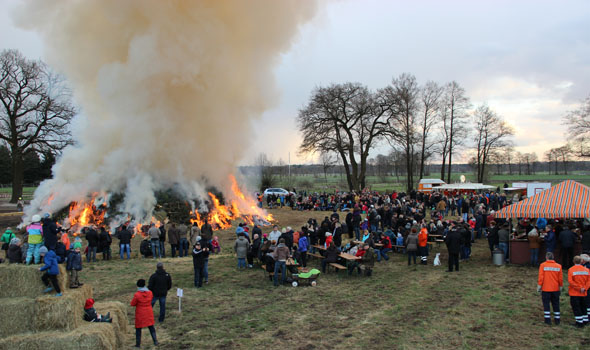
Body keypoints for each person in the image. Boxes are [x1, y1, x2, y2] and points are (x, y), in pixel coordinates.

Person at [131, 279, 158, 347]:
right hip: (149, 311)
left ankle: (138, 344)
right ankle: (155, 341)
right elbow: (151, 299)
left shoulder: (137, 294)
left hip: (140, 312)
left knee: (138, 328)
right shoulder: (150, 293)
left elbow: (133, 303)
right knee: (151, 326)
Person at [537, 252, 563, 325]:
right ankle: (557, 319)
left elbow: (541, 277)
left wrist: (539, 286)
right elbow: (560, 278)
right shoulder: (558, 266)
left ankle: (547, 320)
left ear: (546, 257)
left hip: (546, 288)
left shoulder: (543, 265)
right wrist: (560, 286)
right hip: (555, 289)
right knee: (556, 304)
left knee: (546, 304)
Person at [567, 256, 590, 328]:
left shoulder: (571, 270)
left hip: (575, 292)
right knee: (584, 307)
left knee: (576, 307)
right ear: (581, 261)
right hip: (584, 293)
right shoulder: (586, 270)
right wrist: (584, 288)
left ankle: (579, 322)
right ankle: (585, 320)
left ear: (573, 261)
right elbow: (589, 281)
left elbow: (571, 281)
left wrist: (579, 288)